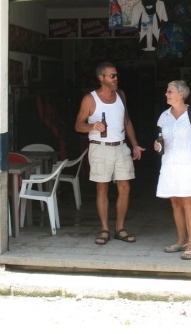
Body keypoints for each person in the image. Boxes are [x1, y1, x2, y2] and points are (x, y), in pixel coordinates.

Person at [75, 61, 145, 245]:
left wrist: (135, 144)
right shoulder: (90, 99)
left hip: (121, 146)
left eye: (116, 75)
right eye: (112, 75)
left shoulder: (121, 95)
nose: (116, 78)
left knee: (125, 187)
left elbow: (127, 121)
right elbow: (78, 125)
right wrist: (92, 126)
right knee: (102, 187)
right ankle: (105, 229)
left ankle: (120, 228)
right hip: (100, 147)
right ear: (101, 78)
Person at [154, 80, 191, 260]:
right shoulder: (164, 116)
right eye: (167, 91)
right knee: (175, 203)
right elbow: (162, 140)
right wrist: (157, 145)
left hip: (189, 164)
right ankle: (181, 240)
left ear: (181, 94)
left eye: (170, 91)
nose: (166, 94)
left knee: (188, 203)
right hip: (169, 164)